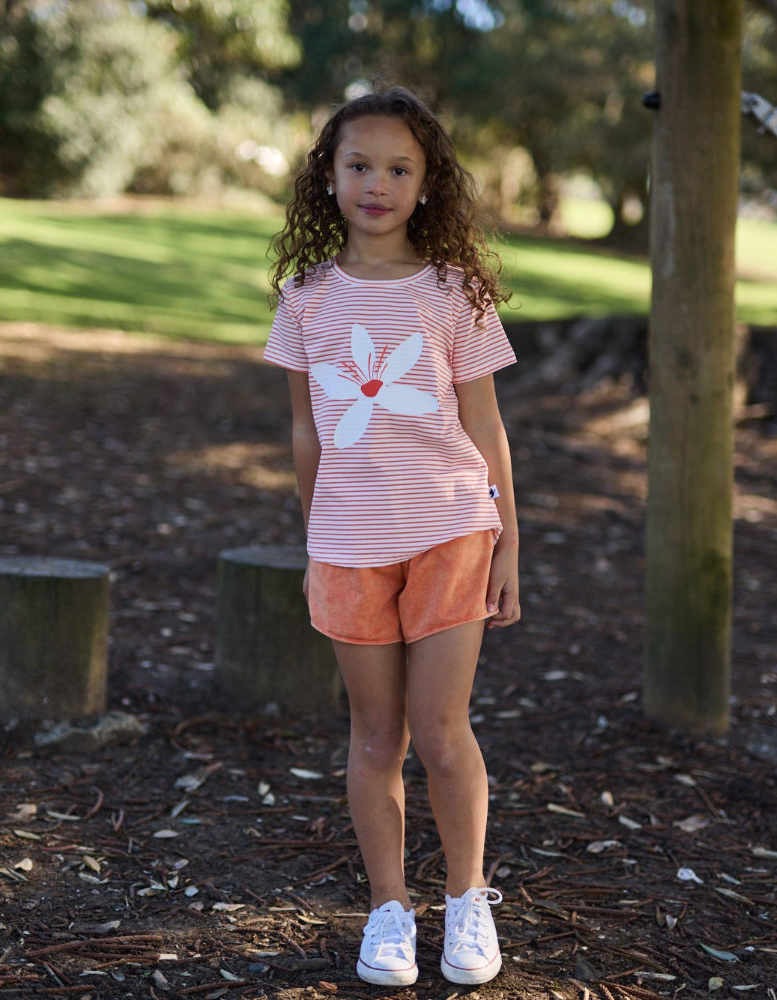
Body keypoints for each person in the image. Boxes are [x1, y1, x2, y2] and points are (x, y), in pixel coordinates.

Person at [264, 84, 520, 988]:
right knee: (376, 737)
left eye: (399, 168)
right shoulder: (304, 298)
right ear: (328, 179)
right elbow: (305, 432)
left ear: (426, 184)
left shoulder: (456, 292)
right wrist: (314, 536)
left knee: (441, 730)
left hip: (453, 529)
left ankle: (465, 902)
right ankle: (387, 911)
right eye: (359, 164)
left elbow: (486, 427)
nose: (378, 182)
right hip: (347, 545)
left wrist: (509, 541)